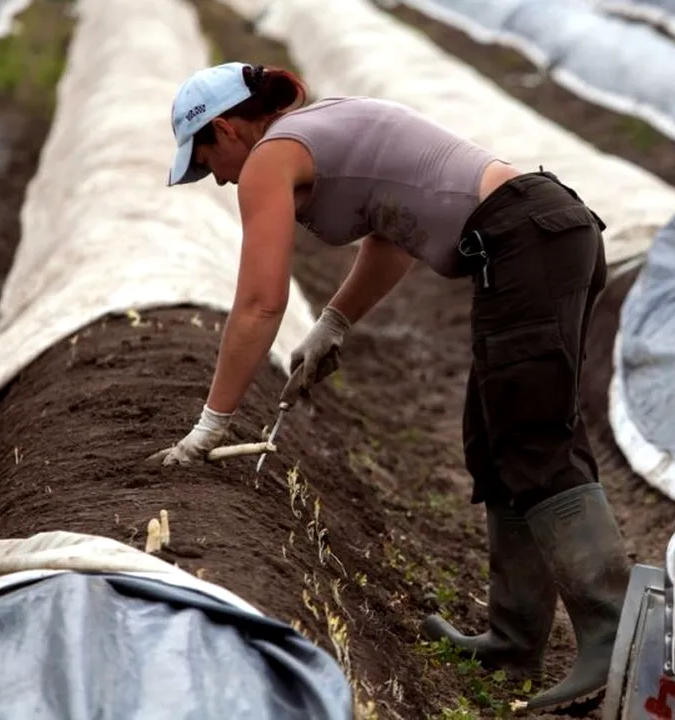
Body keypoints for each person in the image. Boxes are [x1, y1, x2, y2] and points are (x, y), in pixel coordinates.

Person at [148, 61, 631, 712]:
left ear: (229, 128)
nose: (222, 177)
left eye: (209, 160)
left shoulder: (269, 157)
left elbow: (260, 303)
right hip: (539, 235)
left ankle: (617, 641)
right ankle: (515, 640)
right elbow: (395, 235)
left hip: (525, 242)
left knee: (535, 438)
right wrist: (334, 323)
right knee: (497, 440)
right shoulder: (318, 127)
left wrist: (212, 421)